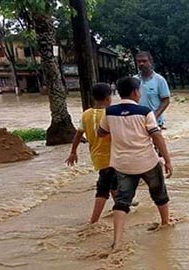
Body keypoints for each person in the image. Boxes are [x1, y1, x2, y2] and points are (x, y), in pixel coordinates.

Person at [98, 77, 173, 249]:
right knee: (159, 194)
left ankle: (117, 241)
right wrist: (167, 160)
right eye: (139, 91)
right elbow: (157, 136)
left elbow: (100, 133)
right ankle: (165, 222)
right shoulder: (145, 111)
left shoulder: (109, 112)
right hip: (147, 161)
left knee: (122, 201)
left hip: (122, 164)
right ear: (135, 92)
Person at [65, 83, 115, 224]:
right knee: (103, 188)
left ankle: (123, 206)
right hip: (111, 156)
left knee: (112, 182)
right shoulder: (110, 113)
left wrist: (73, 152)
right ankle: (93, 221)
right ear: (108, 98)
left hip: (97, 156)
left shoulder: (86, 114)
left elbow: (78, 134)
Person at [135, 51, 171, 128]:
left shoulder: (159, 80)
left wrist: (154, 117)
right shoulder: (133, 80)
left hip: (155, 122)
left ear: (150, 62)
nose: (141, 64)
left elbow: (166, 100)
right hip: (137, 122)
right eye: (139, 61)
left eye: (144, 61)